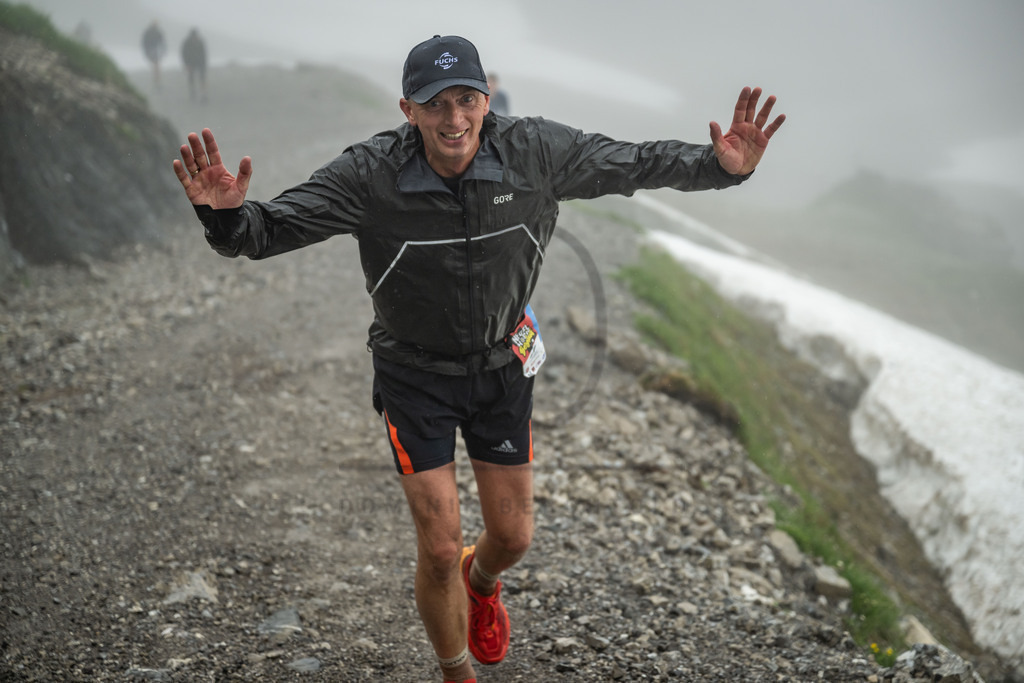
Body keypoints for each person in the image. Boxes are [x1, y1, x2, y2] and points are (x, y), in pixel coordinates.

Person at [172, 34, 784, 683]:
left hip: (501, 366)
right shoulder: (371, 174)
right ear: (408, 109)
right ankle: (455, 671)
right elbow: (270, 229)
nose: (453, 119)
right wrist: (228, 220)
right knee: (437, 546)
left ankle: (481, 578)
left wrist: (719, 167)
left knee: (514, 536)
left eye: (466, 99)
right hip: (414, 375)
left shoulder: (534, 152)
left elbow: (629, 163)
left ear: (487, 99)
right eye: (436, 104)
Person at [181, 28, 208, 103]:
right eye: (194, 36)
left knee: (202, 78)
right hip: (191, 63)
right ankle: (193, 91)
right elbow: (184, 54)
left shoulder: (200, 42)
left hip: (200, 62)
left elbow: (204, 53)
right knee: (191, 78)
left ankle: (203, 94)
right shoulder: (187, 42)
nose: (195, 37)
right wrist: (186, 64)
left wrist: (205, 64)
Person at [141, 21, 166, 88]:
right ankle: (156, 80)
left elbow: (162, 41)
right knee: (156, 65)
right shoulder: (151, 32)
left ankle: (156, 80)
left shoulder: (156, 32)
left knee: (156, 65)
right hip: (151, 50)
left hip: (154, 50)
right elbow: (144, 42)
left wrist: (163, 50)